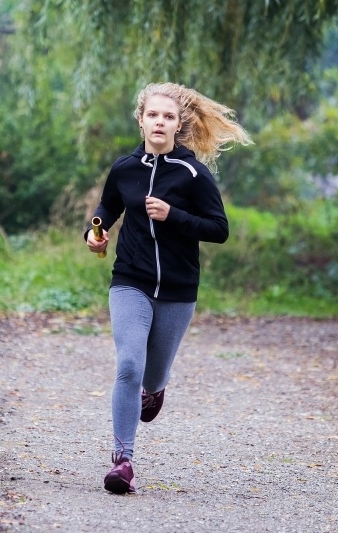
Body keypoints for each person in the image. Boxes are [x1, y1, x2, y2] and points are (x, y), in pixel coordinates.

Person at [84, 82, 252, 494]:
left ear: (179, 125)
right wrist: (94, 232)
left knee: (152, 374)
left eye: (168, 117)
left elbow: (219, 229)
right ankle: (123, 460)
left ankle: (155, 390)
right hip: (130, 282)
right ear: (140, 120)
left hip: (177, 291)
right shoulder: (124, 169)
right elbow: (107, 209)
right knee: (128, 365)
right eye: (153, 115)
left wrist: (173, 214)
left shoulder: (193, 174)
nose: (160, 122)